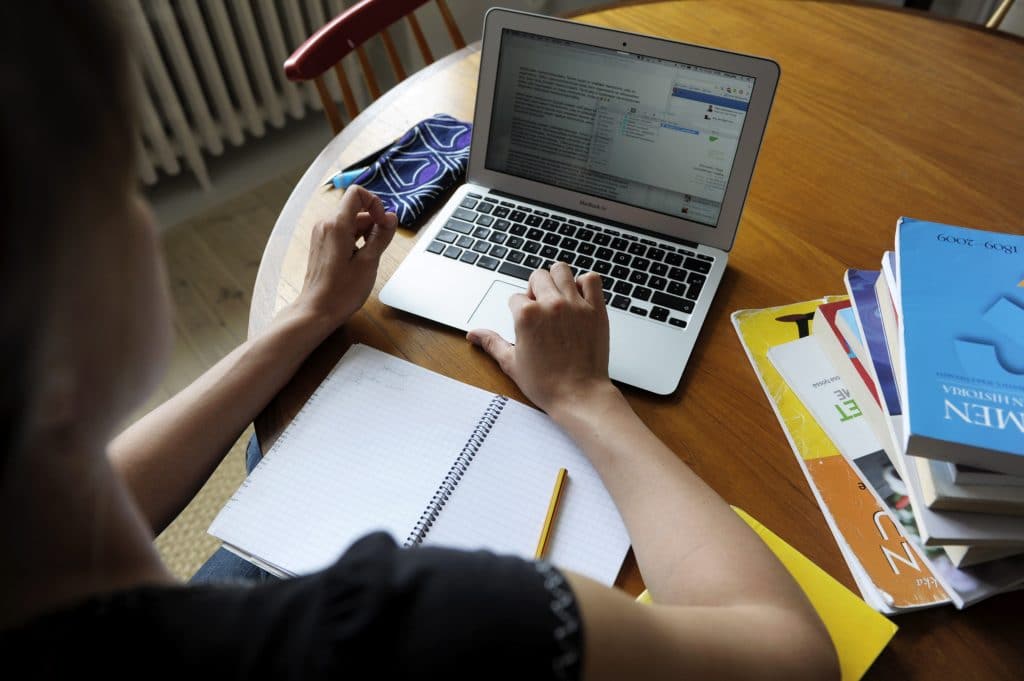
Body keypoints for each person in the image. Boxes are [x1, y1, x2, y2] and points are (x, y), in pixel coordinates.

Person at [0, 3, 838, 680]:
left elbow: (89, 493)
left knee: (271, 456)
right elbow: (790, 655)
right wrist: (584, 394)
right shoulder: (426, 622)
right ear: (76, 308)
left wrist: (306, 318)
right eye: (121, 190)